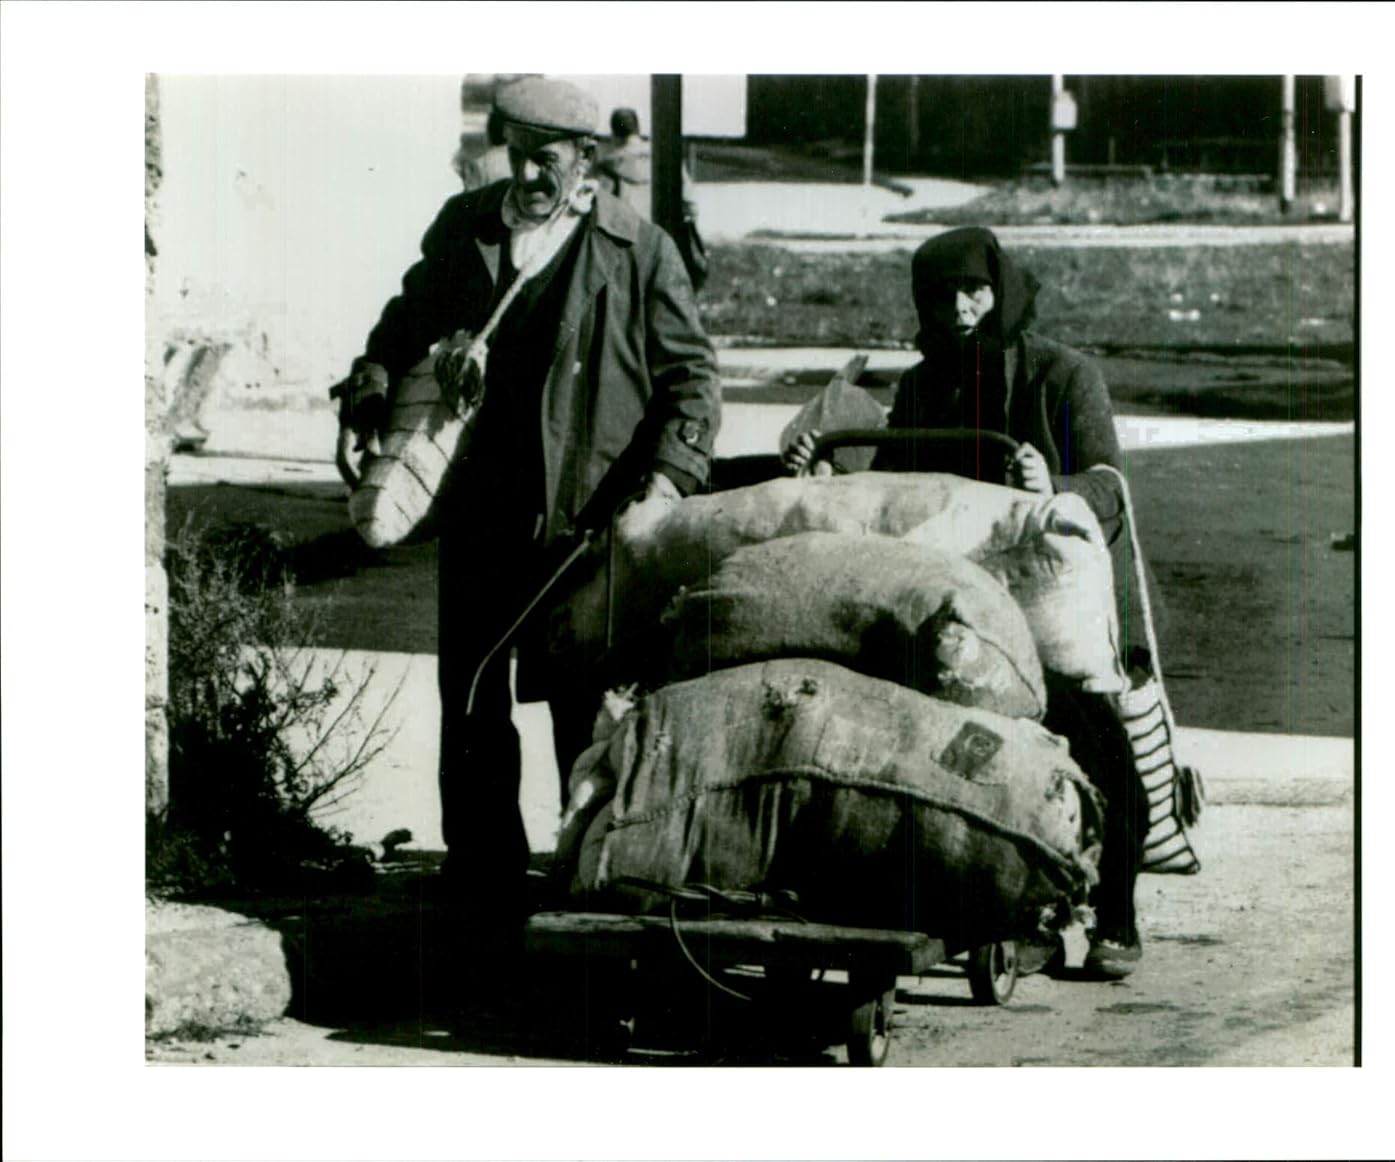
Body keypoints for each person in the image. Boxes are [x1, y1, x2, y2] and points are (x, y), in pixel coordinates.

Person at [339, 77, 721, 931]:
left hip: (585, 524)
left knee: (584, 709)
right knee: (471, 702)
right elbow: (398, 327)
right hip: (478, 512)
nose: (529, 174)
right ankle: (482, 889)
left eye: (546, 158)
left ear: (585, 160)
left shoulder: (637, 250)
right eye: (517, 153)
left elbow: (692, 383)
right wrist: (370, 394)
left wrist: (662, 485)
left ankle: (589, 880)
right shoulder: (464, 229)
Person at [786, 226, 1153, 978]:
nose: (958, 308)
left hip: (1042, 597)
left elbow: (1109, 486)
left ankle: (1117, 915)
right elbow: (888, 484)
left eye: (974, 291)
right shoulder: (923, 385)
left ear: (1003, 291)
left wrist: (1055, 486)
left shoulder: (1063, 375)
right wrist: (821, 465)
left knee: (1095, 741)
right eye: (940, 295)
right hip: (953, 602)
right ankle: (997, 904)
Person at [592, 107, 708, 292]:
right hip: (667, 242)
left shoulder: (608, 168)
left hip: (629, 245)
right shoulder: (665, 158)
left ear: (614, 133)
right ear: (638, 129)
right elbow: (690, 204)